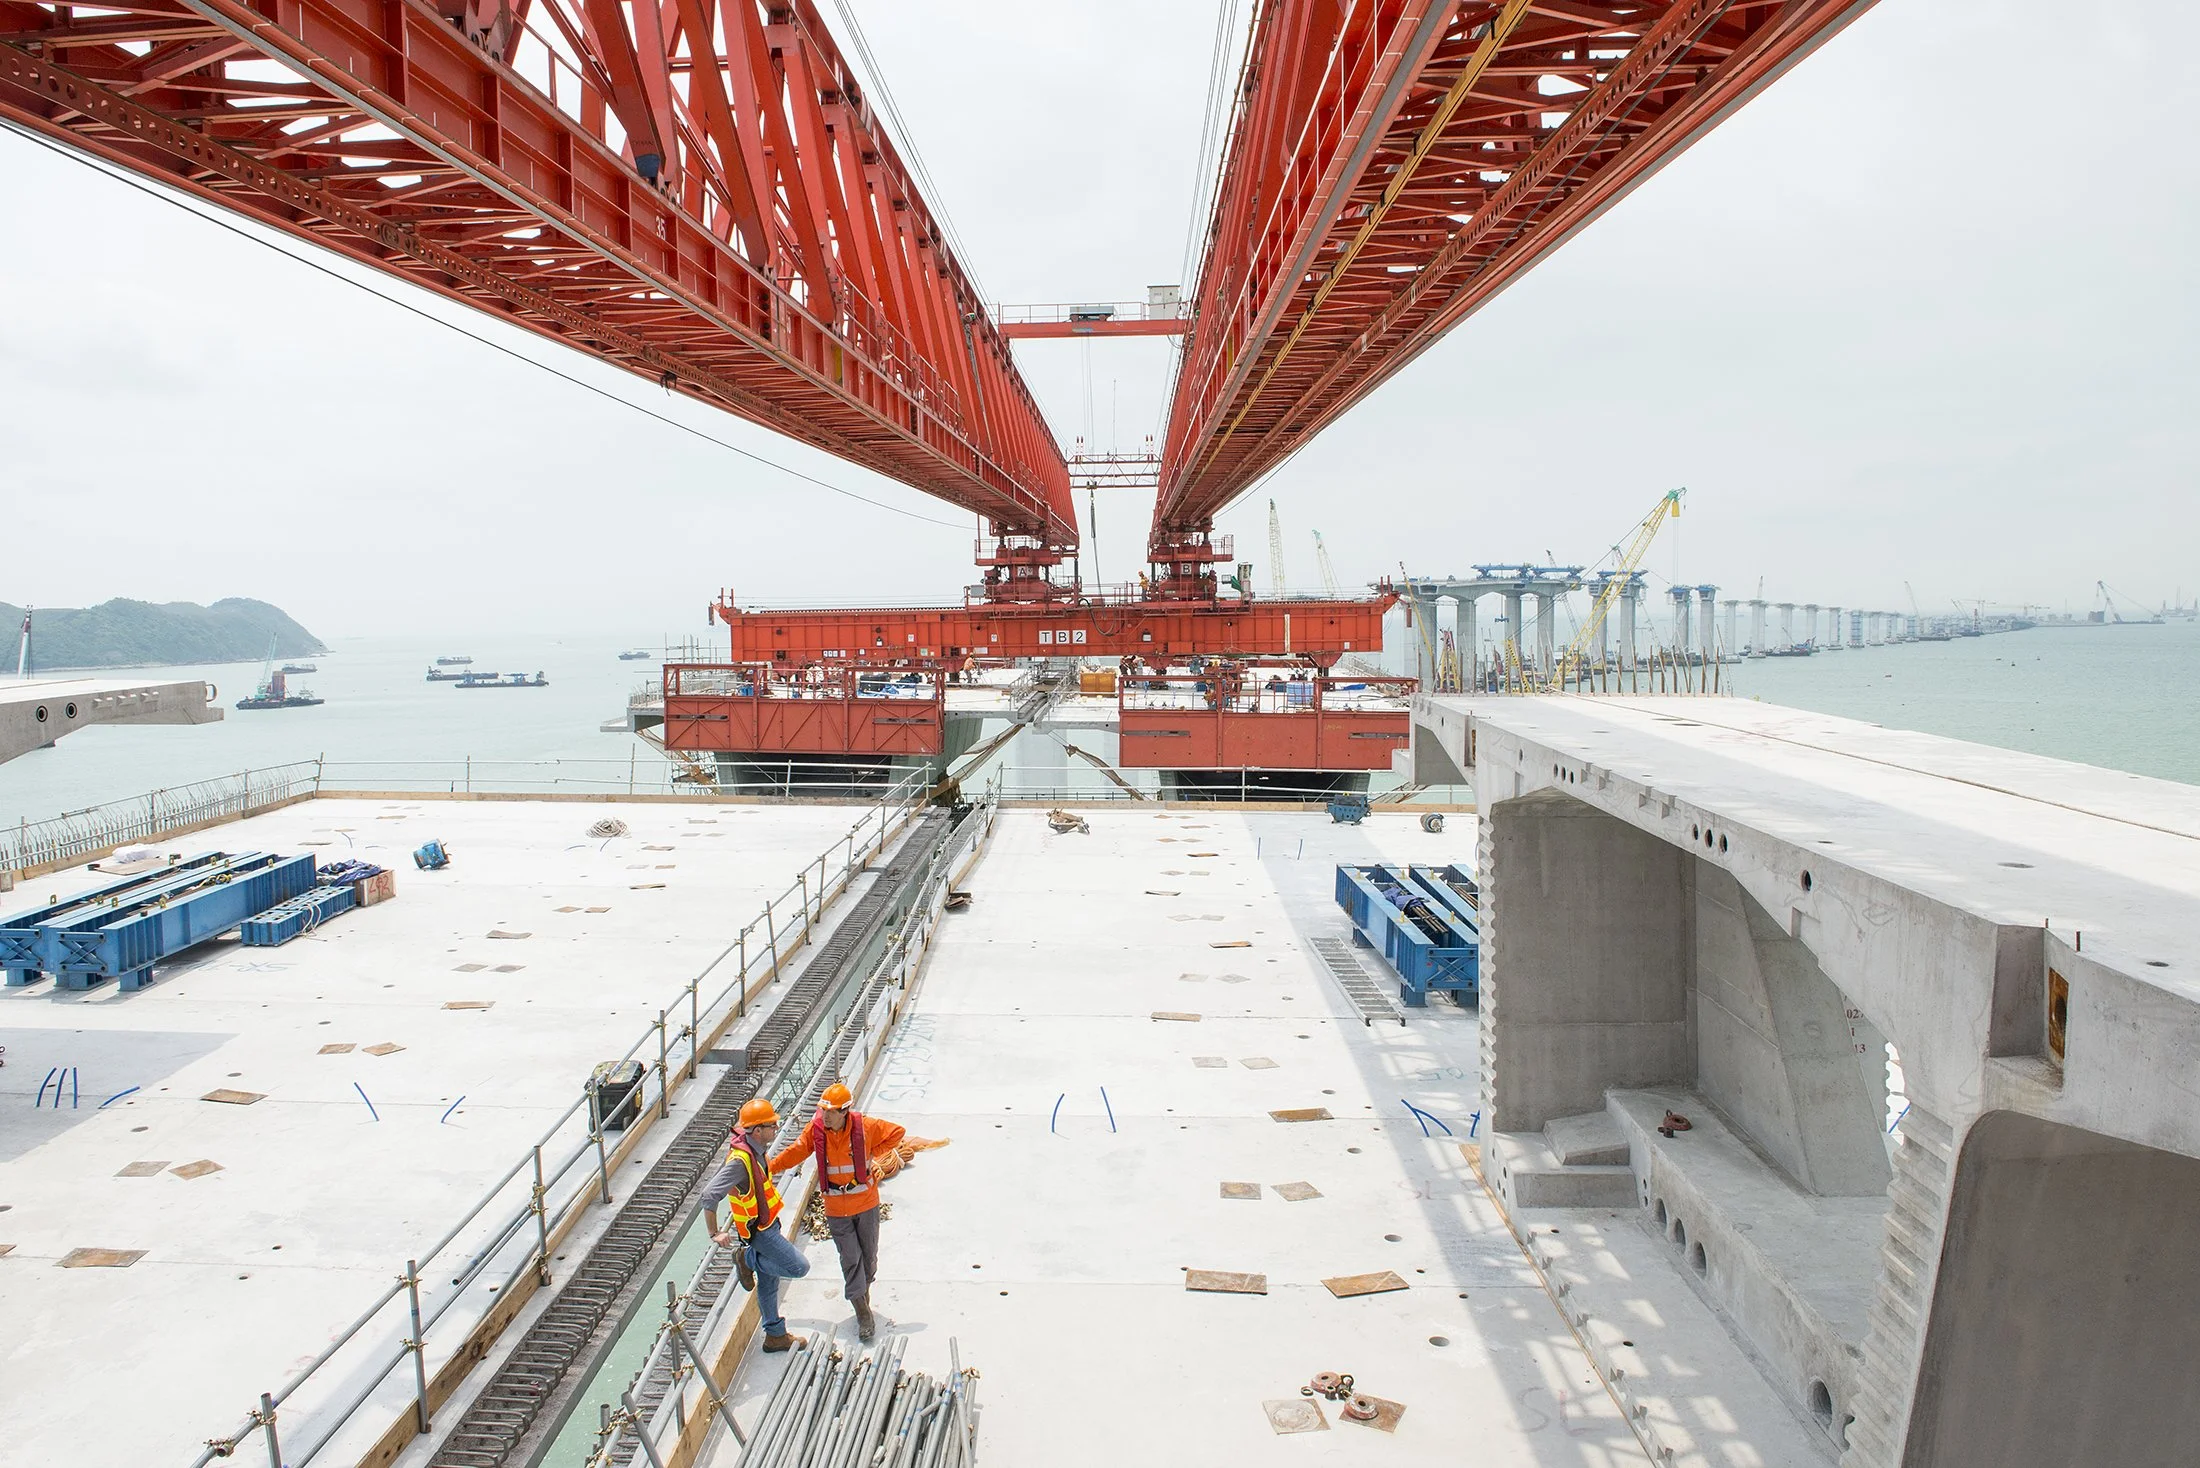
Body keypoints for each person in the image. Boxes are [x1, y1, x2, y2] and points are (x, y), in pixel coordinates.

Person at [769, 1082, 904, 1343]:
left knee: (869, 1258)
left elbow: (897, 1133)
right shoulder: (817, 1131)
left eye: (830, 1111)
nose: (825, 1115)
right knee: (850, 1258)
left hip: (866, 1205)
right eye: (823, 1110)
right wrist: (771, 1167)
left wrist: (873, 1155)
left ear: (845, 1111)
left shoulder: (866, 1127)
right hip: (836, 1210)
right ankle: (862, 1311)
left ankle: (863, 1294)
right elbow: (795, 1152)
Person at [703, 1097, 811, 1352]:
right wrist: (714, 1233)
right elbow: (709, 1195)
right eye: (771, 1126)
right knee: (798, 1267)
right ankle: (746, 1259)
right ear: (757, 1130)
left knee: (769, 1281)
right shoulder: (740, 1162)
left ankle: (775, 1336)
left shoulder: (756, 1151)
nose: (776, 1129)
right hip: (758, 1233)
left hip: (767, 1224)